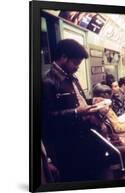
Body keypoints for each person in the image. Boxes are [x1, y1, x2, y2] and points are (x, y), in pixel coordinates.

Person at [42, 39, 112, 181]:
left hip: (85, 137)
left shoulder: (72, 78)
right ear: (63, 57)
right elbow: (47, 119)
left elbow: (78, 102)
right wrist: (76, 113)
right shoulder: (47, 82)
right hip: (69, 145)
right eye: (75, 63)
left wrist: (93, 102)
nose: (77, 67)